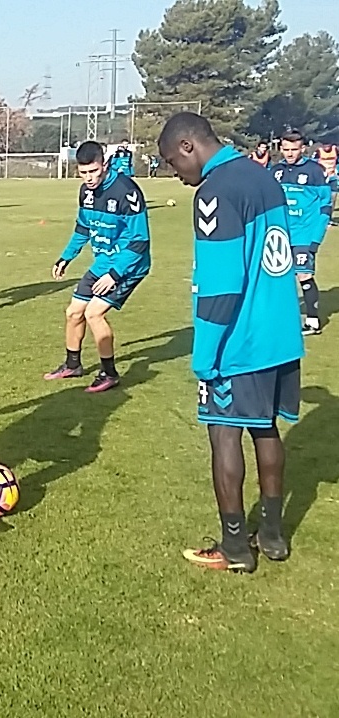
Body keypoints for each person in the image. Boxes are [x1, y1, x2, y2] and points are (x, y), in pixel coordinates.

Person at [159, 112, 304, 573]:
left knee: (224, 434)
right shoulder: (262, 177)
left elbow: (222, 284)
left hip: (240, 339)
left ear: (188, 147)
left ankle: (235, 547)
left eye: (171, 162)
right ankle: (274, 535)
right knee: (265, 428)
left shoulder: (215, 190)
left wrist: (204, 354)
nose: (174, 174)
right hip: (280, 334)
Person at [44, 141, 151, 393]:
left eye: (94, 171)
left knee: (94, 313)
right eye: (83, 173)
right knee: (73, 312)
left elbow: (140, 242)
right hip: (103, 262)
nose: (89, 178)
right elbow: (83, 229)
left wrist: (115, 275)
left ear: (104, 164)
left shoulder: (127, 191)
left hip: (129, 264)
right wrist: (65, 258)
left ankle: (109, 373)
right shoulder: (85, 192)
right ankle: (72, 365)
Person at [272, 129, 331, 335]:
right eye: (286, 149)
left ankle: (313, 320)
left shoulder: (314, 171)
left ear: (303, 148)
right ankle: (282, 317)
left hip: (304, 234)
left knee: (304, 274)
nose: (289, 153)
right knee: (278, 275)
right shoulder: (276, 170)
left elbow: (325, 206)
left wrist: (315, 239)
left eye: (294, 149)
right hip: (280, 234)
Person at [311, 140, 338, 227]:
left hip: (333, 177)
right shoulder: (318, 152)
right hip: (322, 178)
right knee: (323, 199)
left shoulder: (336, 150)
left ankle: (329, 219)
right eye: (325, 145)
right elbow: (312, 163)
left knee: (333, 198)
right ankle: (320, 218)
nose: (327, 147)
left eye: (328, 144)